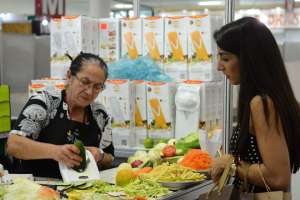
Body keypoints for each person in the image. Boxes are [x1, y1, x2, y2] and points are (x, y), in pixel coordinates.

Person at [211, 17, 300, 193]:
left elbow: (278, 177)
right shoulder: (270, 97)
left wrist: (233, 165)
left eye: (226, 59)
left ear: (249, 60)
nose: (219, 67)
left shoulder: (261, 103)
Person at [7, 53, 114, 178]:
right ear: (69, 76)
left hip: (80, 190)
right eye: (85, 82)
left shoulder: (99, 113)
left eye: (97, 87)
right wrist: (55, 152)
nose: (89, 92)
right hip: (37, 188)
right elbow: (13, 145)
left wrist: (99, 155)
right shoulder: (45, 102)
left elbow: (110, 158)